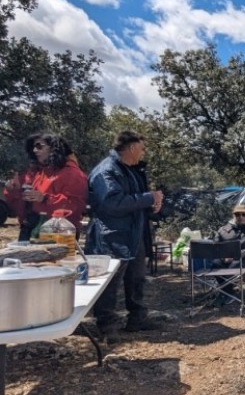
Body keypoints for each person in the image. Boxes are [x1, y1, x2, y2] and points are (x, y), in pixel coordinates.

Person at [85, 131, 164, 339]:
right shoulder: (106, 171)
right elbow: (113, 203)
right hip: (112, 236)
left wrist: (152, 206)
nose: (143, 152)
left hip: (133, 234)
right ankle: (107, 326)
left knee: (136, 278)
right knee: (110, 282)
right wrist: (148, 198)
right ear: (131, 148)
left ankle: (137, 318)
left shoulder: (130, 170)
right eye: (142, 147)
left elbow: (133, 201)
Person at [3, 133, 88, 241]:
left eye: (39, 146)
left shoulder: (73, 173)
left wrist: (45, 198)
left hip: (59, 233)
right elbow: (22, 211)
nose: (34, 150)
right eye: (33, 147)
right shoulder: (38, 173)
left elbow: (76, 206)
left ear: (53, 148)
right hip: (32, 230)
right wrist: (14, 192)